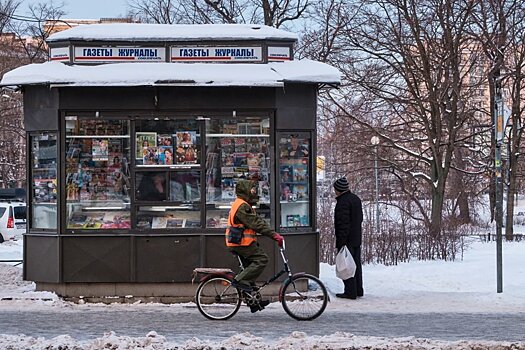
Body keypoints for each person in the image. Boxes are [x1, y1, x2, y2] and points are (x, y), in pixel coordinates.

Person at [225, 179, 284, 312]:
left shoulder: (243, 204)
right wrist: (274, 235)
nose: (254, 192)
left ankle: (253, 302)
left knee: (249, 270)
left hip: (241, 242)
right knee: (261, 259)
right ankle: (238, 280)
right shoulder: (242, 206)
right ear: (245, 190)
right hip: (241, 243)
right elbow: (256, 223)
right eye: (252, 190)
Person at [333, 176, 364, 299]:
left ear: (339, 190)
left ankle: (350, 291)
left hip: (347, 240)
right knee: (356, 264)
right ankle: (358, 289)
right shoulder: (355, 199)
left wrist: (341, 242)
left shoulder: (343, 203)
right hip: (356, 237)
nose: (334, 191)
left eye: (335, 189)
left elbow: (343, 224)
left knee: (347, 266)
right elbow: (359, 219)